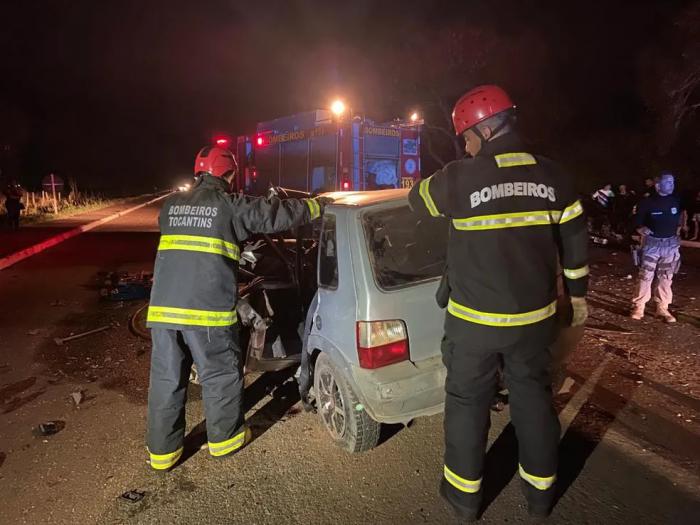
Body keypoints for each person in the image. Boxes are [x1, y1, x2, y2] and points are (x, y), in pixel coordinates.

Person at [409, 85, 588, 520]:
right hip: (534, 322)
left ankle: (464, 499)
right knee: (532, 399)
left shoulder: (458, 178)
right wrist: (578, 300)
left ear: (484, 131)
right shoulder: (556, 177)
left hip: (474, 325)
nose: (465, 147)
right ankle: (541, 495)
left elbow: (417, 200)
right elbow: (577, 248)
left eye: (466, 138)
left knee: (468, 403)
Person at [145, 146, 327, 471]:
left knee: (166, 379)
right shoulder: (229, 206)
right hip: (207, 313)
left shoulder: (170, 206)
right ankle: (225, 440)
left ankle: (162, 454)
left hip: (163, 312)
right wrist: (316, 205)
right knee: (219, 375)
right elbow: (274, 214)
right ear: (228, 174)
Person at [630, 172, 686, 323]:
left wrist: (681, 227)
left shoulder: (676, 200)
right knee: (645, 276)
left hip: (670, 245)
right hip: (652, 245)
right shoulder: (647, 202)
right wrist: (640, 228)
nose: (671, 185)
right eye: (668, 182)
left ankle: (662, 307)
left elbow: (681, 215)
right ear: (658, 185)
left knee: (666, 277)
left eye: (673, 182)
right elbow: (636, 220)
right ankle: (639, 306)